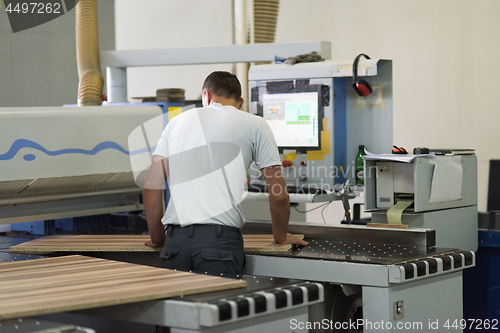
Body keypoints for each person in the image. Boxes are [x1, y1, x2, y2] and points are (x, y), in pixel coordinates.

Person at [143, 71, 307, 277]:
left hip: (176, 245)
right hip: (219, 245)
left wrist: (158, 238)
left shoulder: (176, 123)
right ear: (241, 101)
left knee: (179, 309)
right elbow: (279, 194)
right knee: (219, 308)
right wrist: (280, 236)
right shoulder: (255, 124)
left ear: (206, 96)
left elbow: (151, 187)